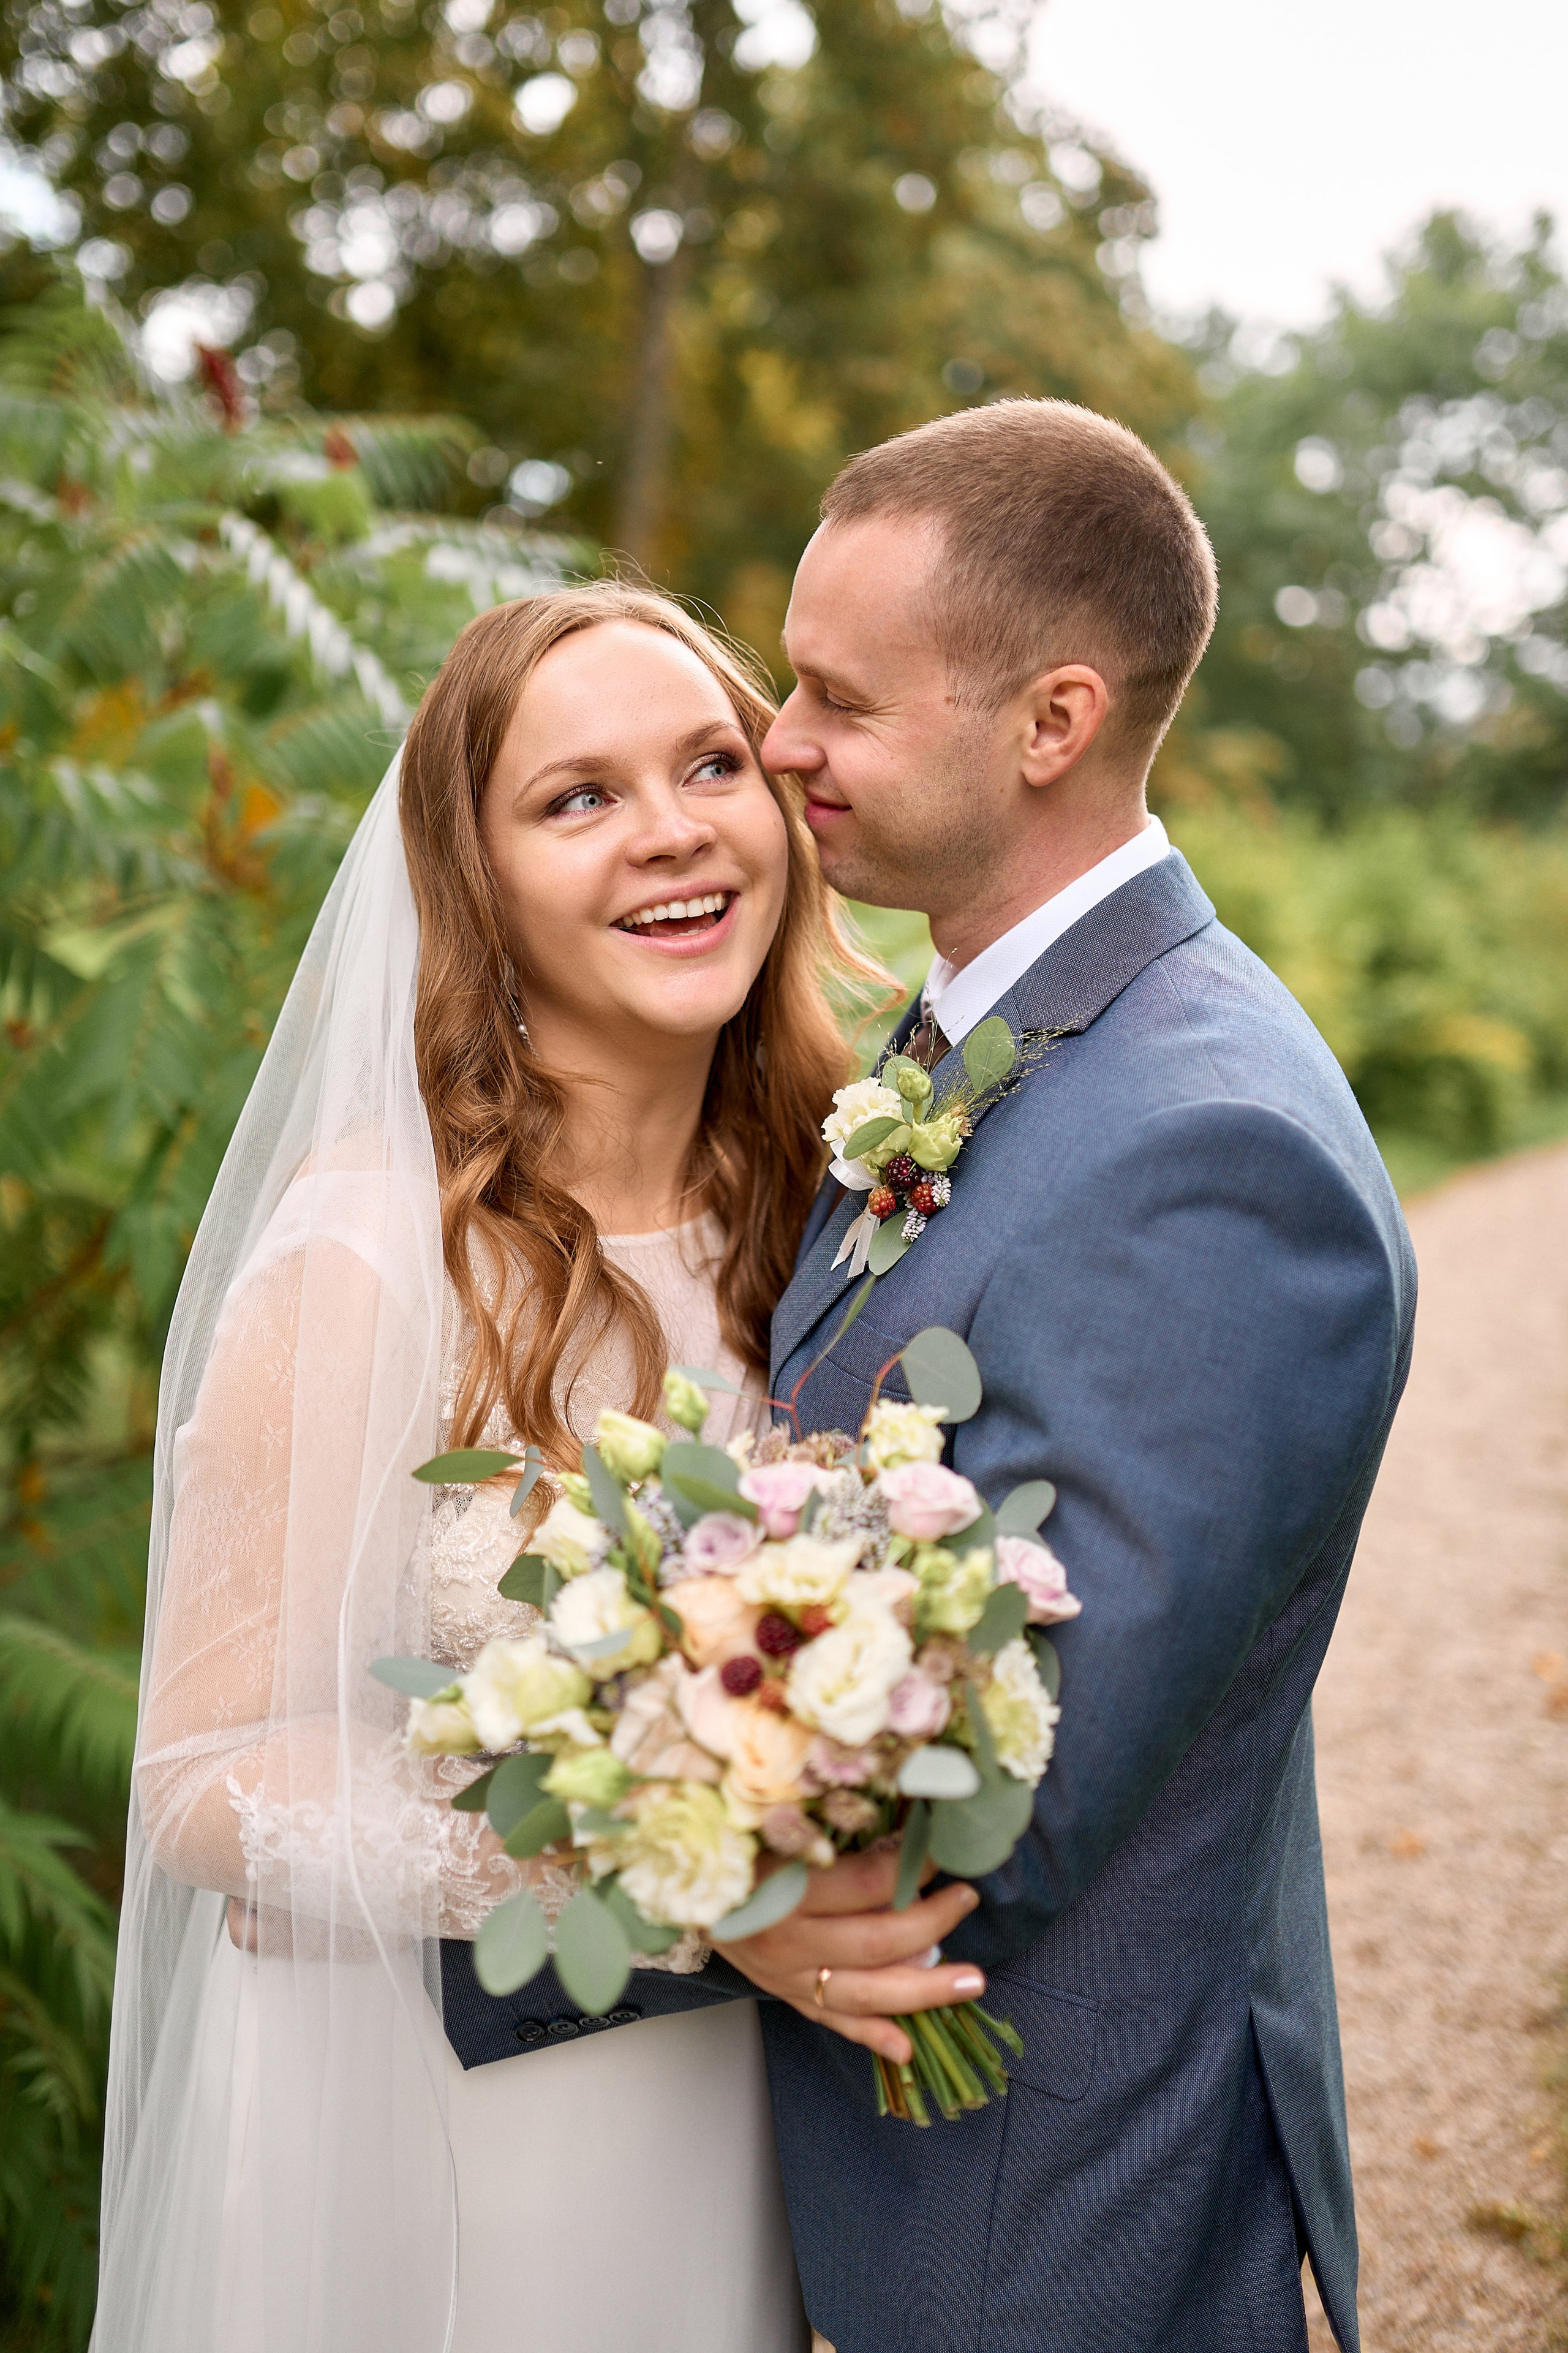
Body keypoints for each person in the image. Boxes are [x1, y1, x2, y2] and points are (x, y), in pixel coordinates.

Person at [94, 582, 981, 2353]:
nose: (670, 831)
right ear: (477, 881)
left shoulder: (845, 1215)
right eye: (576, 797)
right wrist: (699, 1891)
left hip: (736, 2105)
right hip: (429, 2129)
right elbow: (200, 1769)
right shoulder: (368, 1257)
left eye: (711, 762)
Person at [757, 401, 1417, 2353]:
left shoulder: (1207, 1151)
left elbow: (1001, 1804)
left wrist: (606, 1850)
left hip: (1037, 2220)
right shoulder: (1015, 1031)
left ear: (1048, 721)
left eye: (836, 698)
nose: (781, 740)